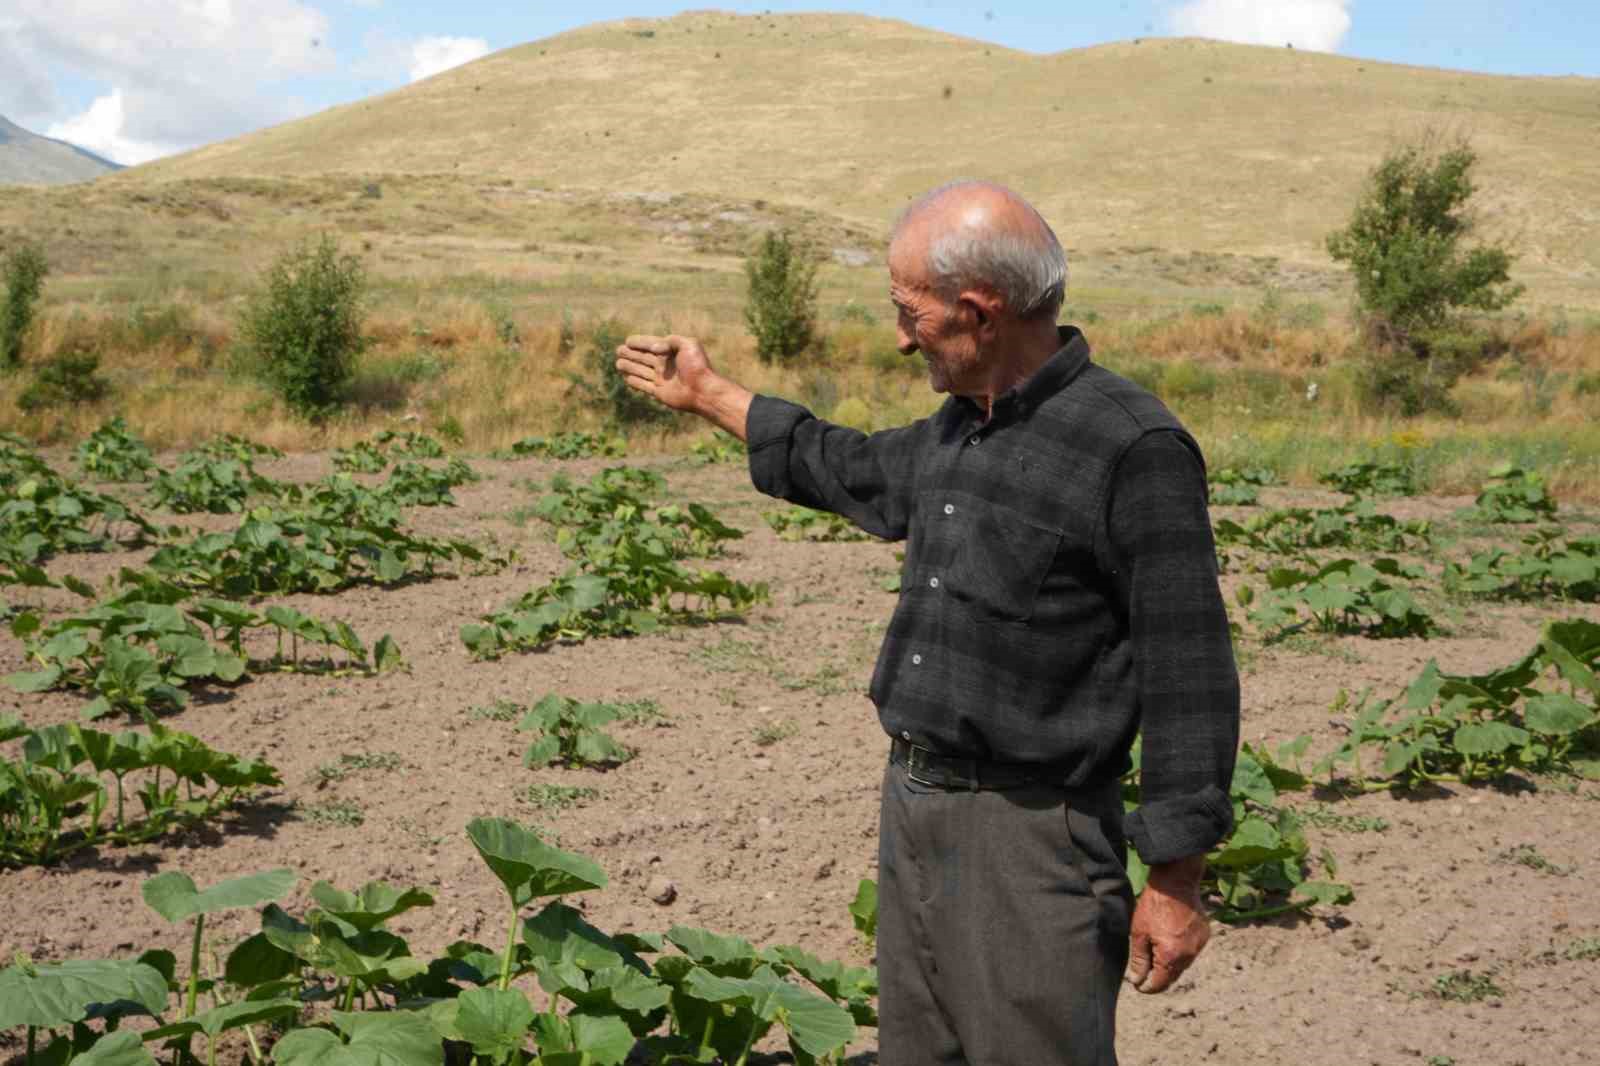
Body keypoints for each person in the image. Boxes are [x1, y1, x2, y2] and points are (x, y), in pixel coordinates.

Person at [615, 180, 1239, 1066]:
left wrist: (1176, 876)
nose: (900, 336)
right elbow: (854, 468)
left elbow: (1191, 671)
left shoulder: (1132, 449)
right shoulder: (962, 428)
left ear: (979, 313)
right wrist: (713, 394)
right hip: (915, 806)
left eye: (910, 312)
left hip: (1034, 838)